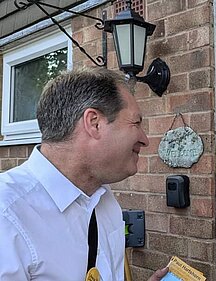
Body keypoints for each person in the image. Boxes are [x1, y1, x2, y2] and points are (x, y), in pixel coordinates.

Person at [0, 67, 168, 280]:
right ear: (94, 123)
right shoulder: (6, 216)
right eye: (136, 123)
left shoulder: (105, 201)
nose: (145, 139)